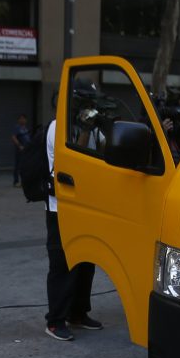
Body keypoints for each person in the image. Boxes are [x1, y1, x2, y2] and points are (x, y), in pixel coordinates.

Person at [44, 118, 102, 341]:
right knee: (62, 263)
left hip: (86, 205)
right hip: (61, 207)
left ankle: (78, 313)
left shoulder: (93, 128)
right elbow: (71, 161)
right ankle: (55, 321)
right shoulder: (58, 126)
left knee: (86, 262)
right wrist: (86, 130)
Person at [11, 113, 31, 186]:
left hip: (26, 150)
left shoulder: (25, 128)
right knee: (18, 165)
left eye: (24, 118)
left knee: (24, 166)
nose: (22, 120)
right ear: (18, 120)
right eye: (21, 118)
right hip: (20, 150)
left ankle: (23, 181)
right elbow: (13, 137)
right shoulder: (17, 128)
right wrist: (19, 146)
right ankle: (16, 181)